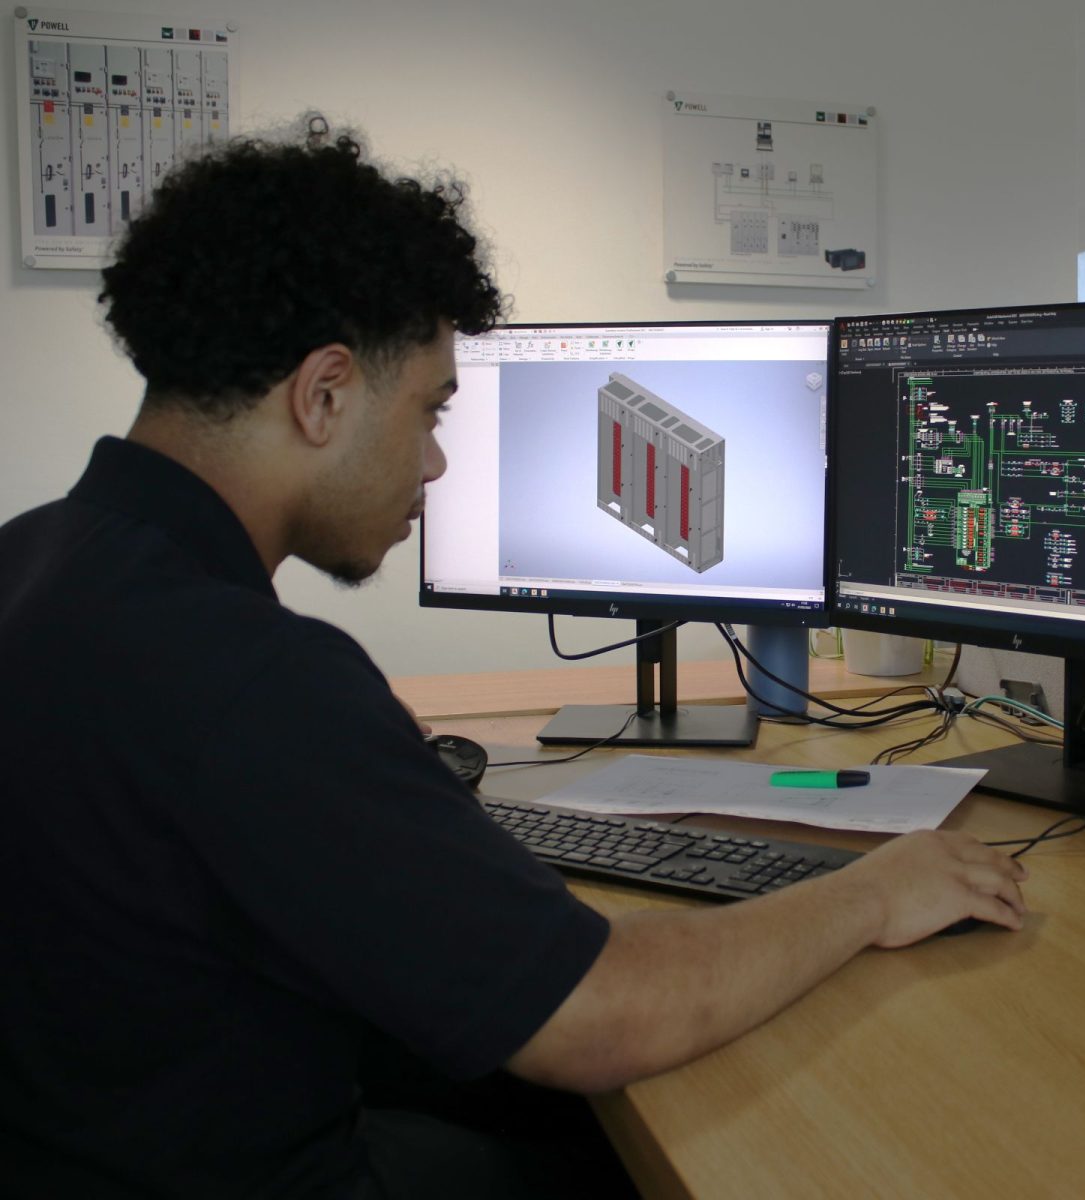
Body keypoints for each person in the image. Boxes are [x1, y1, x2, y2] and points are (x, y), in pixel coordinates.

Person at [0, 116, 1027, 1198]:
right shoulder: (247, 675)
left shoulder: (39, 561)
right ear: (324, 393)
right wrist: (870, 892)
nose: (438, 460)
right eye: (431, 409)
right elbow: (597, 1016)